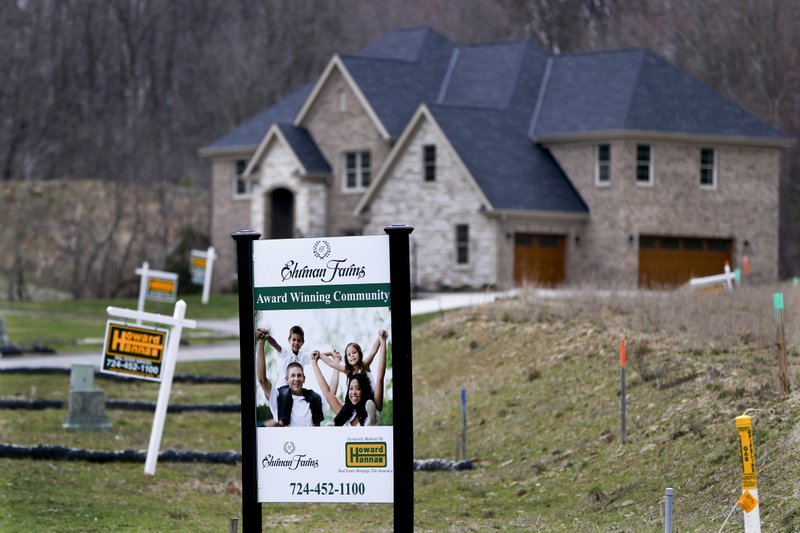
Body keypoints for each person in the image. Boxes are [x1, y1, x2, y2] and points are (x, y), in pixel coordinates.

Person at [313, 329, 388, 425]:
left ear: (360, 354)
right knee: (347, 406)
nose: (352, 356)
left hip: (370, 398)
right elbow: (332, 363)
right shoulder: (347, 371)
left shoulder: (364, 366)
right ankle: (335, 422)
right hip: (356, 402)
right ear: (346, 359)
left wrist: (379, 338)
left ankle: (370, 418)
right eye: (349, 354)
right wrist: (320, 355)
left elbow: (373, 352)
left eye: (354, 353)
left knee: (367, 404)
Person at [256, 328, 322, 427]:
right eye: (294, 340)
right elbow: (275, 344)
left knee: (315, 396)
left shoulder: (303, 355)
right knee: (286, 395)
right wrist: (266, 337)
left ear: (302, 343)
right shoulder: (285, 352)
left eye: (299, 340)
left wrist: (329, 354)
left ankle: (317, 423)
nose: (296, 343)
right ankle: (283, 420)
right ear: (289, 340)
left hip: (298, 390)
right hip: (283, 388)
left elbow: (315, 356)